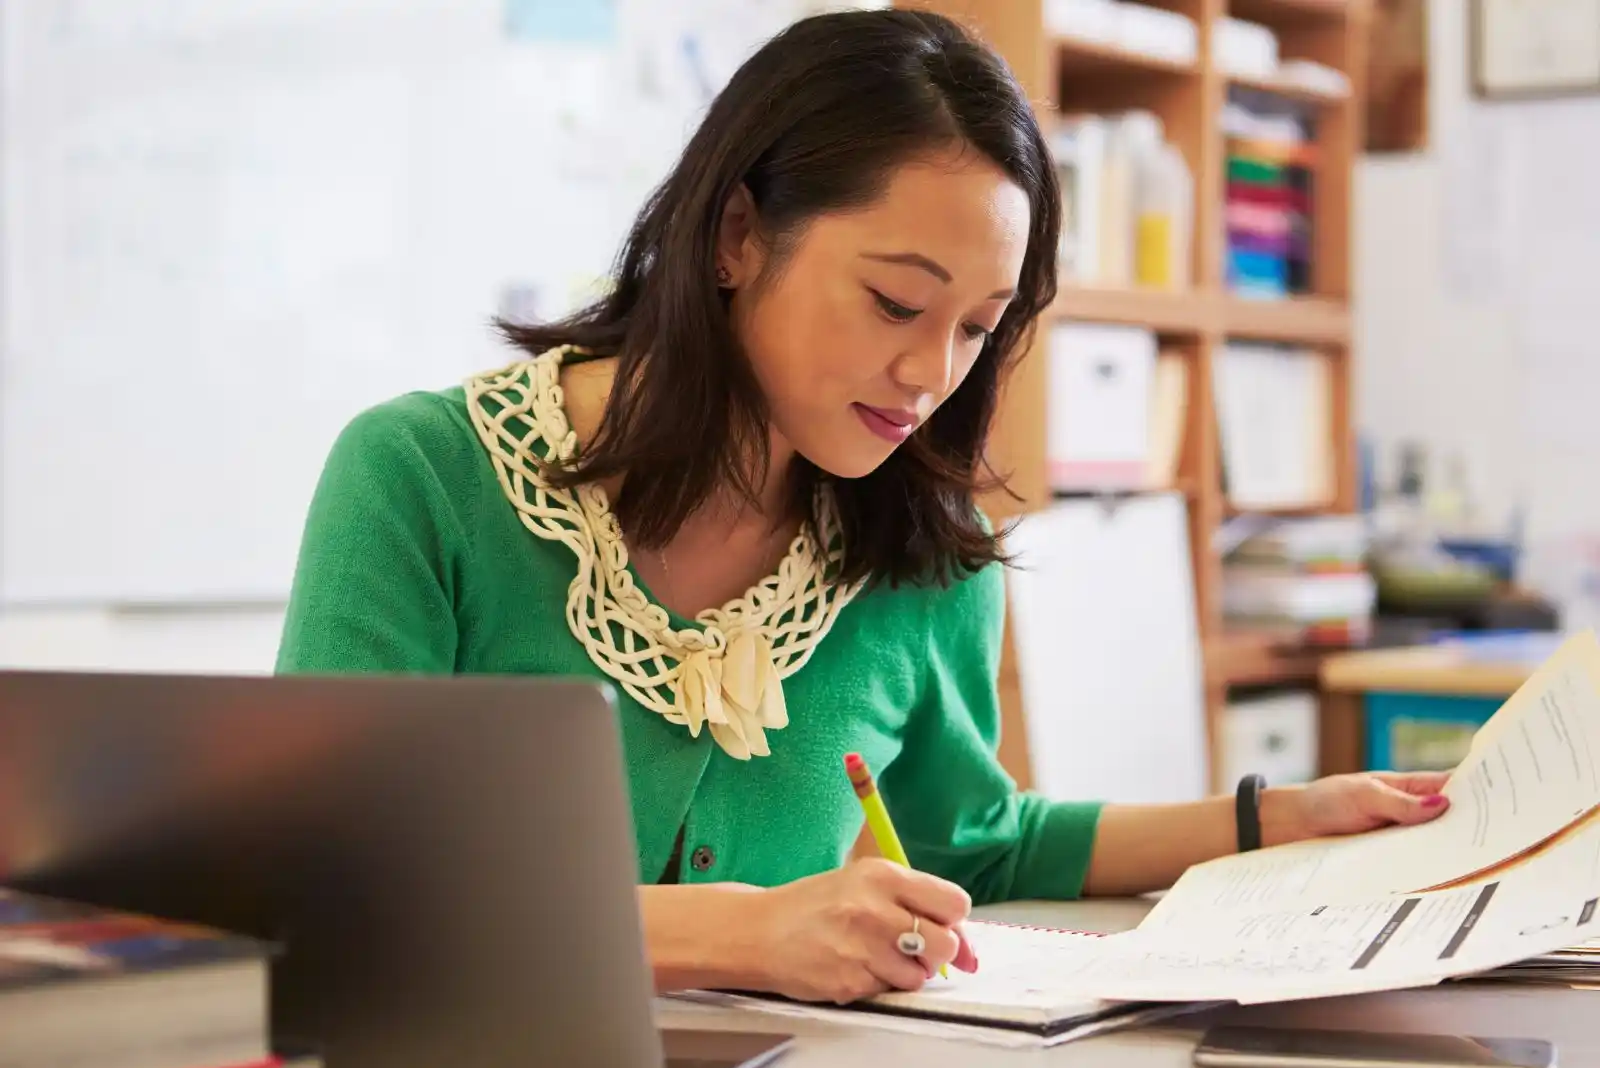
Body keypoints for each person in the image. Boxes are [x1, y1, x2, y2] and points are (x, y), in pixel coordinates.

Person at [276, 9, 1449, 1006]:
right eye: (896, 303)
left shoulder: (923, 554)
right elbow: (337, 882)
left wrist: (1271, 822)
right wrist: (736, 932)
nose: (931, 373)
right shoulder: (422, 480)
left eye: (979, 327)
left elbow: (976, 841)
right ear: (737, 236)